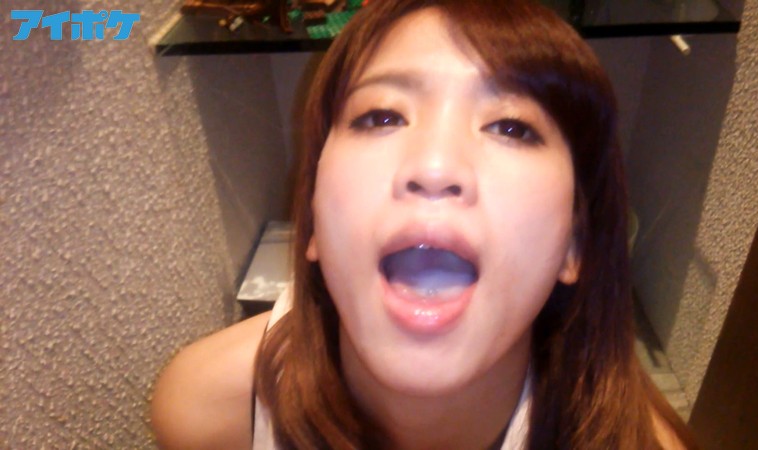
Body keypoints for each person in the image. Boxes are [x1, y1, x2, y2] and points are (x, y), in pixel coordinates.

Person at [151, 0, 696, 448]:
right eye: (381, 116)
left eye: (511, 127)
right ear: (313, 214)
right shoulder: (207, 413)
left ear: (574, 242)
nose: (435, 167)